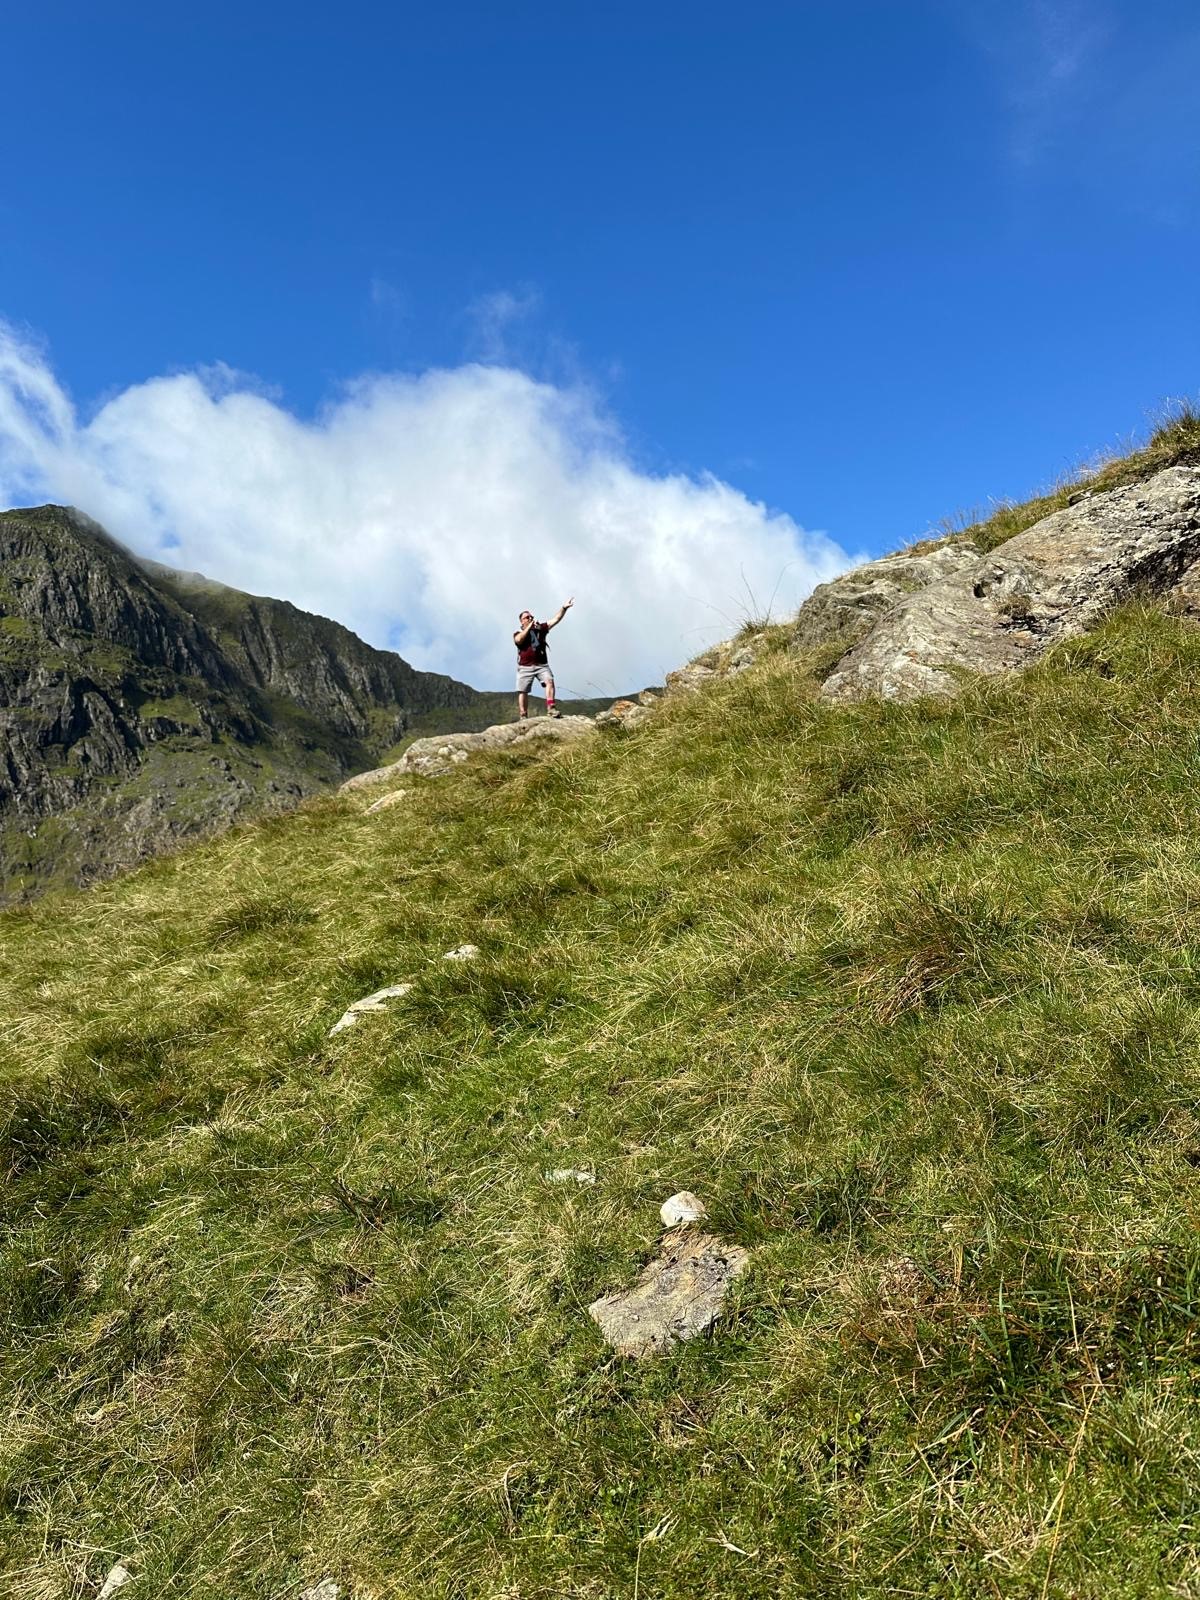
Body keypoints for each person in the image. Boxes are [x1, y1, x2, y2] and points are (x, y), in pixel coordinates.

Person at [514, 598, 573, 719]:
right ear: (522, 621)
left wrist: (564, 608)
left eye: (531, 616)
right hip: (525, 667)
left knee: (549, 681)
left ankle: (551, 708)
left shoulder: (540, 629)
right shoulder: (518, 633)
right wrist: (529, 627)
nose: (530, 618)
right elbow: (519, 640)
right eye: (527, 617)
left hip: (541, 665)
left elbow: (555, 619)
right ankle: (523, 715)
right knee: (523, 690)